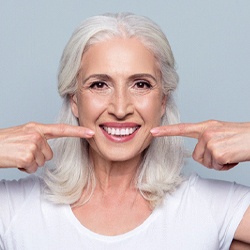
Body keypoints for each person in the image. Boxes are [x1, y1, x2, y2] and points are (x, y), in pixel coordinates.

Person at [0, 13, 249, 249]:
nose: (120, 108)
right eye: (99, 84)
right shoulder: (13, 209)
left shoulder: (212, 207)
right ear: (74, 99)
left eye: (141, 84)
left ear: (162, 100)